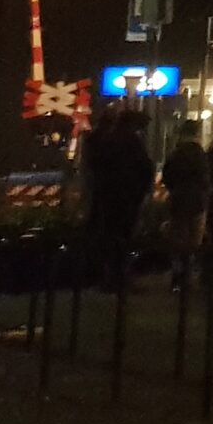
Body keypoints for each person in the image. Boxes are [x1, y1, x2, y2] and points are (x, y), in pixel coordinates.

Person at [81, 105, 156, 289]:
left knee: (109, 237)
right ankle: (119, 277)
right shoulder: (131, 141)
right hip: (127, 197)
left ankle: (107, 276)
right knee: (123, 238)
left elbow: (94, 167)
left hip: (108, 196)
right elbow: (145, 167)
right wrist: (144, 189)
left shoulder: (104, 140)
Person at [160, 121, 210, 290]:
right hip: (197, 202)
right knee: (193, 241)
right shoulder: (200, 154)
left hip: (179, 201)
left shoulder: (176, 153)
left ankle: (177, 276)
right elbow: (205, 179)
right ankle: (187, 276)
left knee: (178, 241)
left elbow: (167, 177)